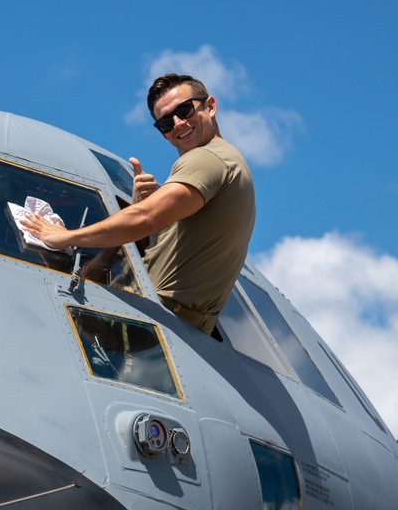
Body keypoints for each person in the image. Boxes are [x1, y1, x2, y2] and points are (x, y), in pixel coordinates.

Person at [20, 73, 255, 335]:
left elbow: (146, 219)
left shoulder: (207, 158)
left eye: (185, 110)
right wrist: (137, 206)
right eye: (165, 122)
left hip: (160, 325)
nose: (178, 123)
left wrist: (63, 237)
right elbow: (155, 238)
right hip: (170, 323)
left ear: (210, 106)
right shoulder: (223, 162)